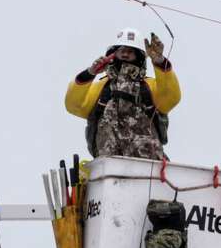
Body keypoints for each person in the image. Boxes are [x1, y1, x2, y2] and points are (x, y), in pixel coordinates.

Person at [65, 28, 181, 160]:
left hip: (148, 167)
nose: (125, 54)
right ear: (113, 54)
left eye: (130, 51)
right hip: (110, 169)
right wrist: (90, 73)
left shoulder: (149, 87)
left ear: (139, 56)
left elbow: (171, 97)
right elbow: (73, 105)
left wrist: (159, 61)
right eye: (122, 50)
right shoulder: (101, 89)